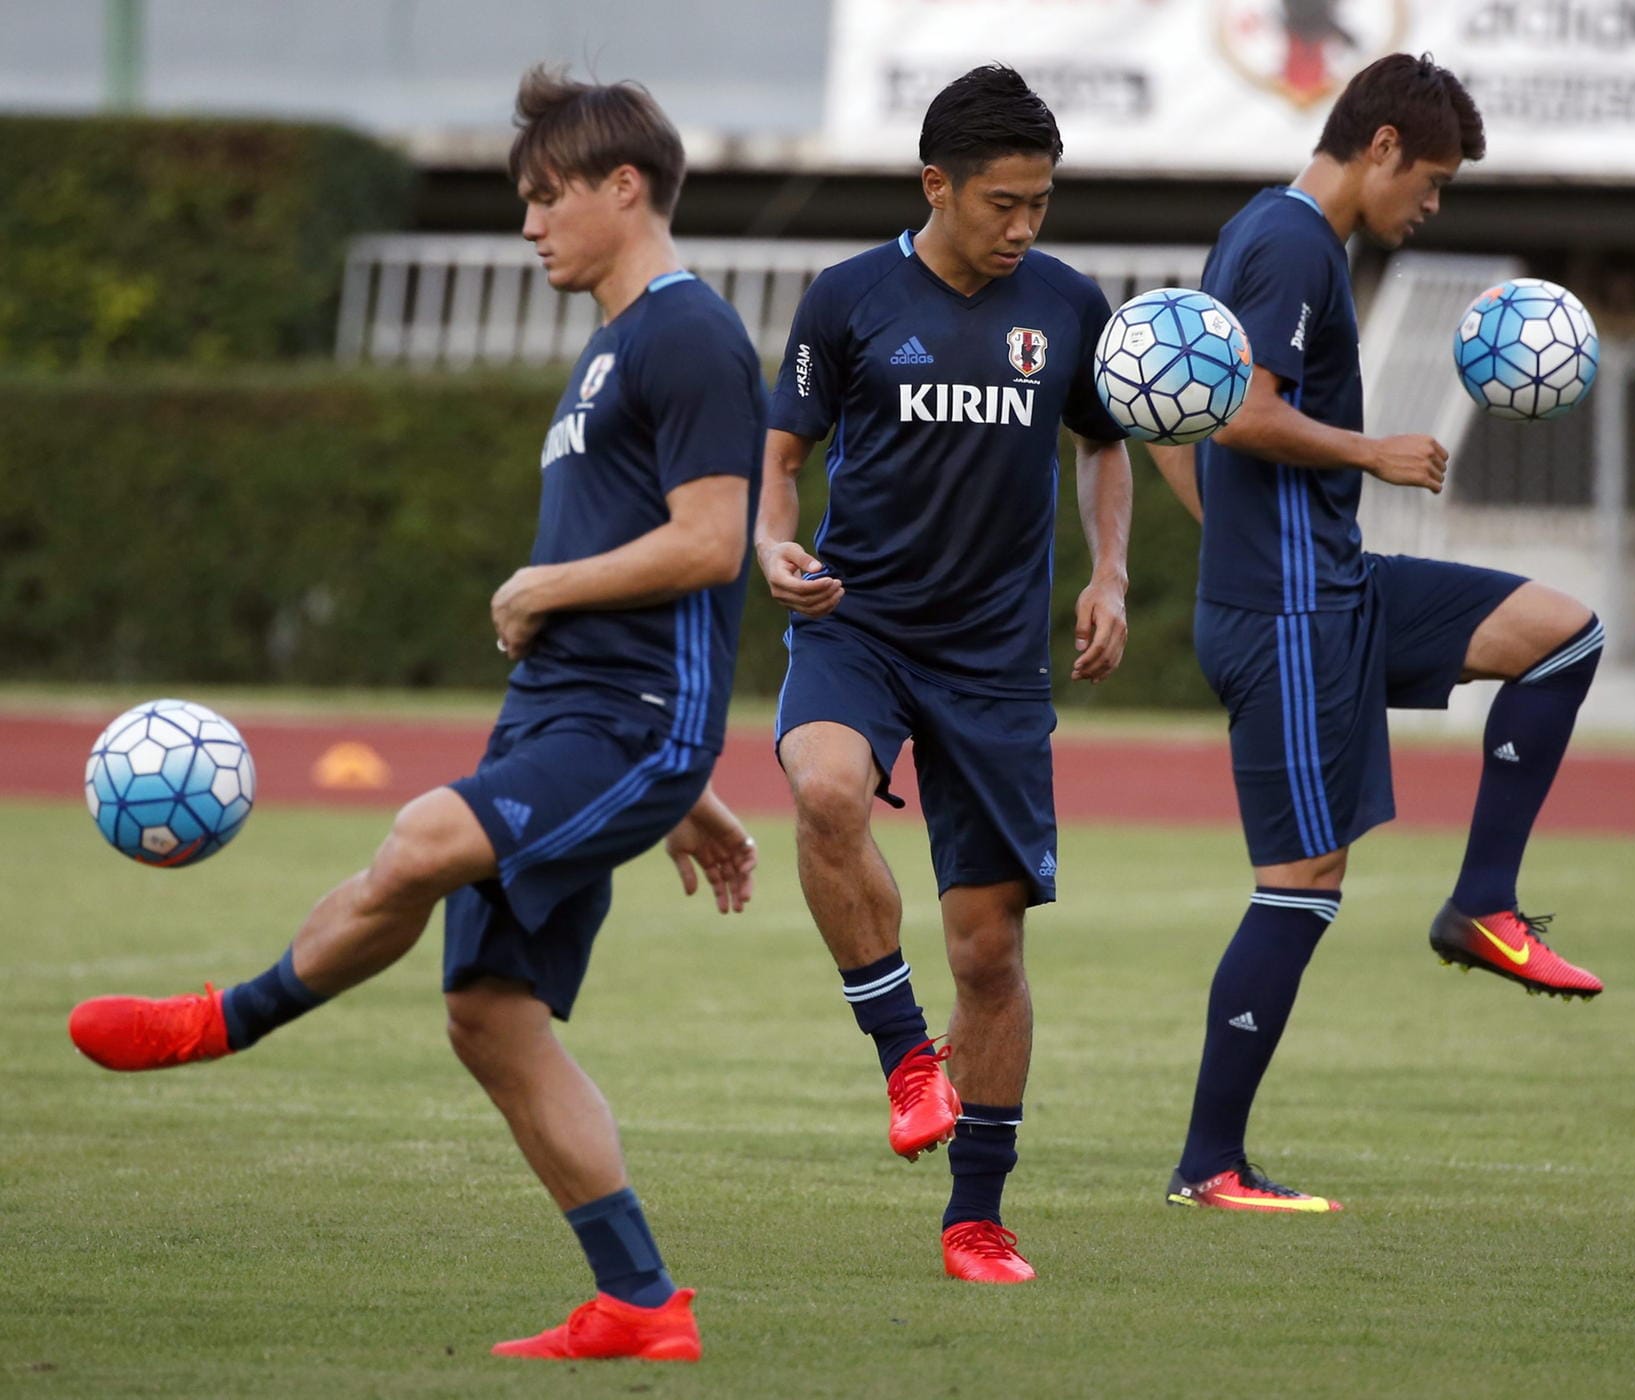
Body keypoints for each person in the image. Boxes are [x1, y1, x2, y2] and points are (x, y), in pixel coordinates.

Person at [66, 66, 763, 1363]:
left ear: (625, 188)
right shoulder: (611, 349)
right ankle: (641, 1305)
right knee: (489, 1017)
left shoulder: (687, 332)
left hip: (620, 729)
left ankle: (231, 1019)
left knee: (423, 840)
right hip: (582, 730)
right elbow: (657, 581)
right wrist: (692, 789)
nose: (529, 226)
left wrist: (615, 681)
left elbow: (713, 543)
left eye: (547, 197)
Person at [1149, 53, 1607, 1216]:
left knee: (1558, 633)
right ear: (1385, 147)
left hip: (1330, 586)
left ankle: (1483, 906)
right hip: (1293, 614)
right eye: (1435, 180)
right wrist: (1373, 452)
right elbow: (1243, 409)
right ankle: (1210, 1164)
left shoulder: (1269, 235)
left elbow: (1165, 411)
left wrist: (1233, 534)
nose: (1433, 205)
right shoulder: (1295, 243)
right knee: (1302, 880)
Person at [755, 65, 1133, 1284]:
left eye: (1041, 203)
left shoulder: (1070, 307)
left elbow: (1104, 443)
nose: (1026, 226)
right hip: (856, 627)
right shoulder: (849, 298)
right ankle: (903, 1055)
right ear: (937, 185)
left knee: (990, 956)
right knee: (822, 790)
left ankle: (977, 1216)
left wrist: (1110, 572)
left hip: (995, 663)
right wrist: (773, 544)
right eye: (1005, 203)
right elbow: (780, 461)